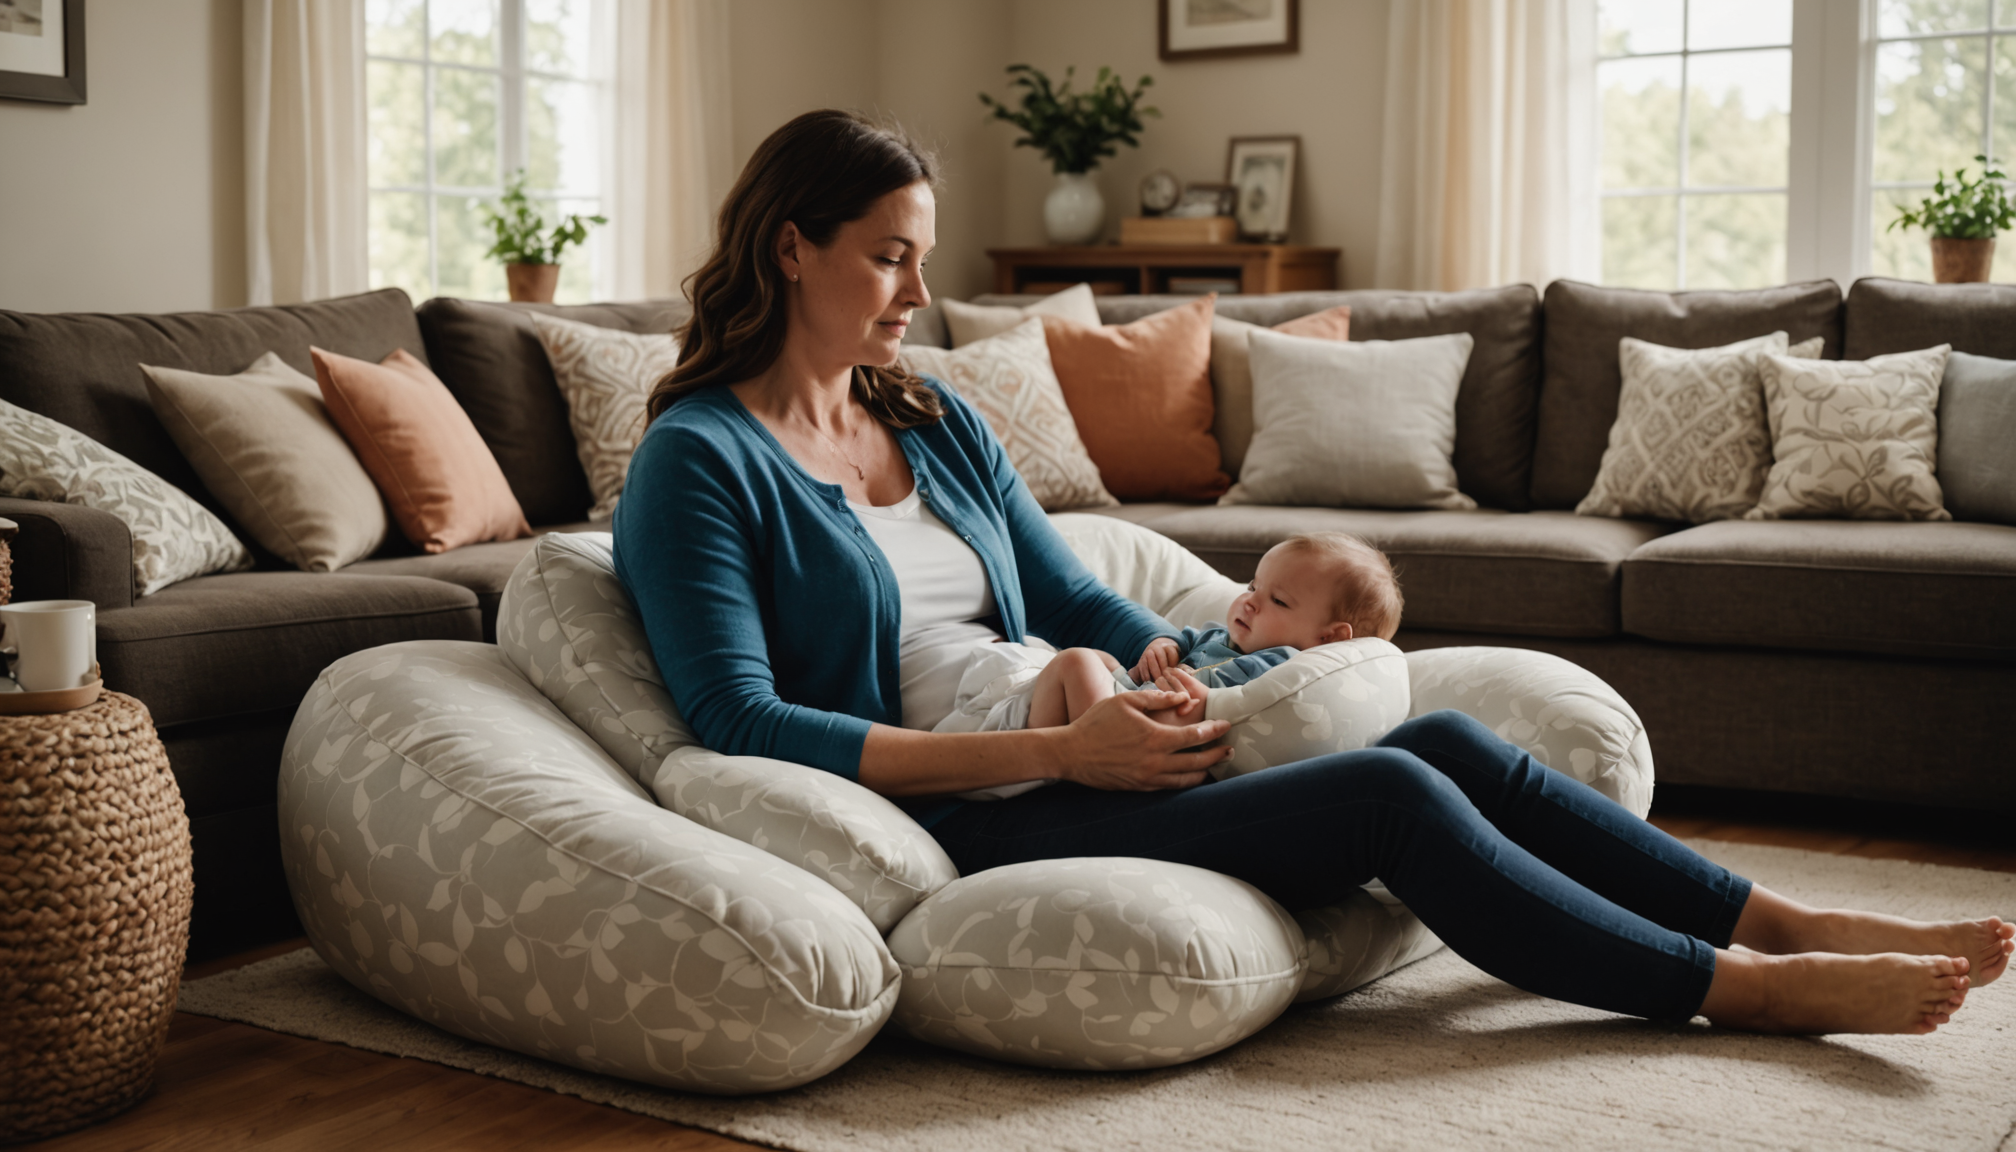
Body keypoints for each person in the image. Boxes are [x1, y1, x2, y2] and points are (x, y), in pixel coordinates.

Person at [611, 109, 2012, 1037]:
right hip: (992, 807)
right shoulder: (701, 461)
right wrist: (1050, 758)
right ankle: (1736, 994)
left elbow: (1070, 597)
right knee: (1396, 791)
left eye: (919, 258)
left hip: (1089, 736)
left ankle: (1784, 916)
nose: (918, 294)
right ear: (791, 248)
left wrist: (1203, 667)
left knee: (1447, 732)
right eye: (888, 260)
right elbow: (741, 722)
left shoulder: (926, 414)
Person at [931, 531, 1401, 802]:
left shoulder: (1283, 663)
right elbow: (1180, 649)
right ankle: (1053, 740)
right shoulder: (1223, 636)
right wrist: (1162, 652)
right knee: (1096, 660)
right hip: (1131, 706)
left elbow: (1219, 698)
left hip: (1142, 738)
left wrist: (1189, 683)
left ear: (1330, 637)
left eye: (1277, 599)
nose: (1250, 601)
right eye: (1253, 584)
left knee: (1075, 661)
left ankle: (1088, 763)